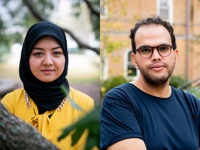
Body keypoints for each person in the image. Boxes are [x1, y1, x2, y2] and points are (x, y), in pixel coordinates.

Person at [100, 16, 200, 150]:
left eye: (163, 48)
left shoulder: (193, 105)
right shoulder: (118, 101)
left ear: (175, 56)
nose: (156, 56)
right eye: (146, 50)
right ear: (134, 60)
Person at [1, 21, 94, 150]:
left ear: (65, 57)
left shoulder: (84, 105)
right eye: (38, 53)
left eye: (56, 53)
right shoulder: (9, 104)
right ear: (26, 58)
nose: (48, 62)